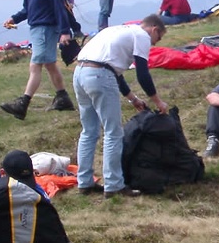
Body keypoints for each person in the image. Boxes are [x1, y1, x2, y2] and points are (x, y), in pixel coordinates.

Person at [72, 14, 169, 199]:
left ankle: (84, 182)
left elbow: (115, 71)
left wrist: (133, 99)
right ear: (154, 29)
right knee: (113, 132)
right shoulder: (142, 35)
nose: (155, 43)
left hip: (80, 73)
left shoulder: (115, 30)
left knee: (89, 131)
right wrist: (158, 102)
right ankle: (114, 185)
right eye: (158, 38)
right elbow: (142, 73)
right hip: (100, 75)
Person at [0, 0, 75, 120]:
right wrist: (14, 18)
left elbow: (59, 7)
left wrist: (65, 32)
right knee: (49, 64)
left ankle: (23, 104)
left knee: (35, 65)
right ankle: (63, 98)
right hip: (37, 28)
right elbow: (28, 9)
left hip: (45, 28)